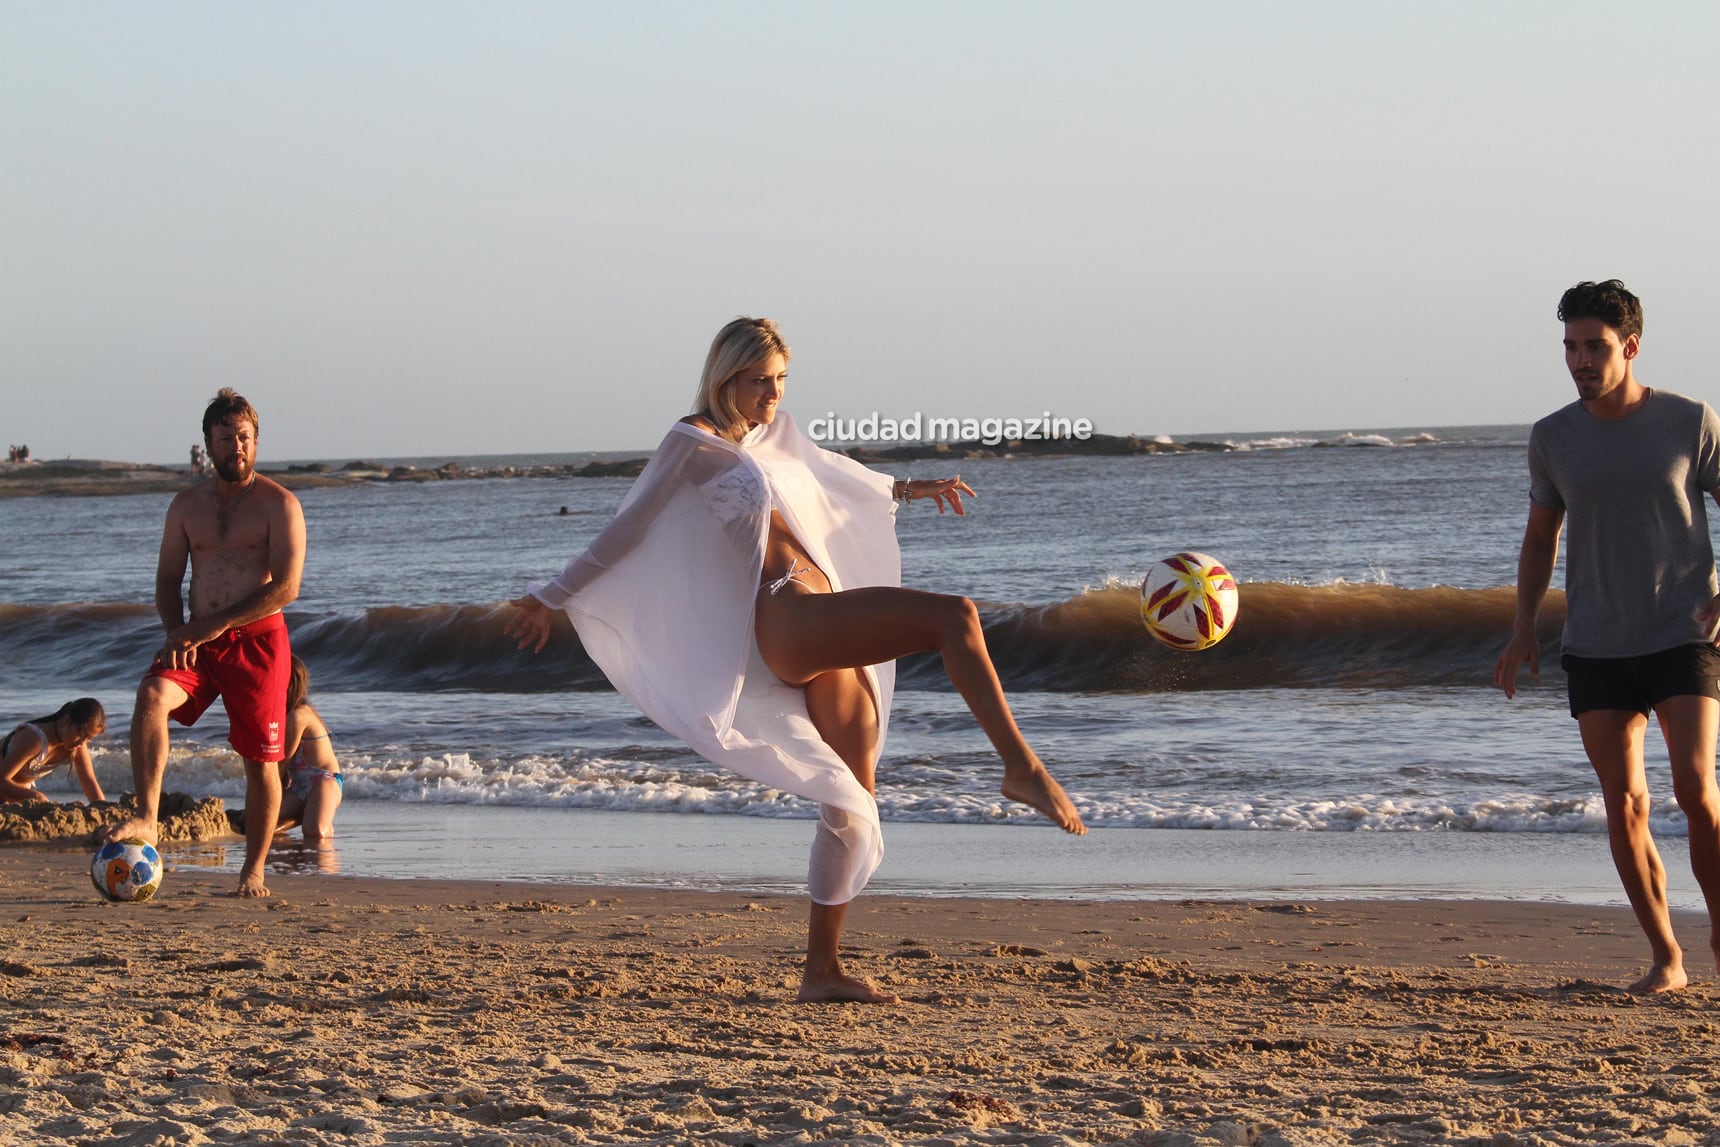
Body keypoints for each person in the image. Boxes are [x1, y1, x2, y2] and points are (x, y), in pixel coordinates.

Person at [506, 316, 1085, 1004]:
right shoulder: (690, 443)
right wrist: (549, 596)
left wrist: (908, 487)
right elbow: (627, 528)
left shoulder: (768, 433)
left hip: (819, 610)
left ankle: (822, 969)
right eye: (759, 382)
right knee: (953, 616)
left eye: (781, 381)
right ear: (726, 379)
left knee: (852, 796)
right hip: (787, 616)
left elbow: (827, 472)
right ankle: (1022, 767)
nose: (772, 395)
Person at [1495, 279, 1720, 994]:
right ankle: (1667, 957)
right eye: (1570, 346)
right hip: (1596, 641)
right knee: (1624, 803)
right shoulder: (1553, 437)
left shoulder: (1690, 421)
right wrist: (1524, 625)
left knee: (1694, 788)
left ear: (1630, 346)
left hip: (1683, 629)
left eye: (1594, 345)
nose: (1580, 359)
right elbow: (1539, 539)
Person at [100, 388, 306, 898]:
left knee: (261, 761)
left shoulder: (279, 504)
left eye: (244, 437)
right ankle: (148, 817)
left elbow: (286, 587)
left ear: (256, 440)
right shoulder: (186, 506)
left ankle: (252, 870)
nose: (235, 446)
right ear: (207, 445)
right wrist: (177, 633)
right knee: (151, 695)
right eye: (225, 438)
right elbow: (168, 580)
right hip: (195, 640)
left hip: (257, 643)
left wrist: (211, 627)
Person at [273, 655, 343, 843]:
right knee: (267, 825)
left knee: (315, 831)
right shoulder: (282, 714)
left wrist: (271, 793)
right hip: (299, 786)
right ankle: (308, 811)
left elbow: (282, 761)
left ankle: (313, 815)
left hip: (323, 781)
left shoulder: (299, 715)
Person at [1, 698, 107, 804]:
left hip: (12, 795)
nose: (83, 742)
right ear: (66, 721)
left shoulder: (77, 744)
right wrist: (37, 796)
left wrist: (102, 808)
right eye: (82, 735)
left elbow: (88, 781)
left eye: (89, 738)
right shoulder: (35, 740)